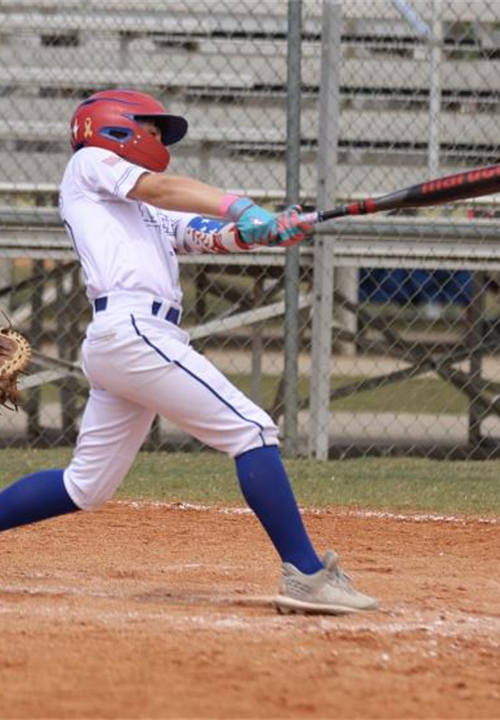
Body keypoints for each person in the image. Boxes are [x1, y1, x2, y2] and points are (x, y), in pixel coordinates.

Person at [0, 89, 377, 615]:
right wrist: (244, 206)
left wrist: (266, 230)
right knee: (251, 429)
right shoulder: (91, 164)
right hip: (133, 330)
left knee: (86, 486)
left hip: (127, 339)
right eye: (150, 129)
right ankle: (306, 574)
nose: (158, 141)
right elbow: (166, 188)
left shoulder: (146, 208)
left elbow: (210, 235)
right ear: (113, 128)